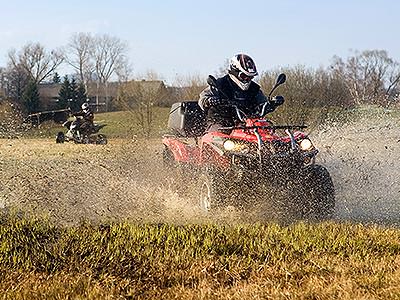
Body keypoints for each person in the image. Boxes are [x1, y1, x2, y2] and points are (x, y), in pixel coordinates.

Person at [198, 54, 284, 131]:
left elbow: (262, 104)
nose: (247, 80)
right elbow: (202, 99)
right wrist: (210, 100)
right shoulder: (219, 85)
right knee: (219, 138)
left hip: (246, 126)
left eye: (250, 77)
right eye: (244, 76)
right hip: (220, 124)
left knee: (268, 133)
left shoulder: (254, 89)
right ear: (234, 71)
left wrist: (272, 104)